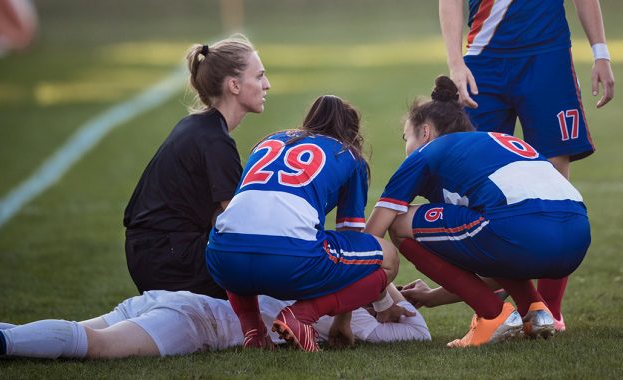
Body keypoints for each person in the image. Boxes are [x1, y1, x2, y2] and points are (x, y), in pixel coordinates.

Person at [364, 76, 591, 348]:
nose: (406, 147)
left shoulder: (426, 153)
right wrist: (433, 297)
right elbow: (495, 262)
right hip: (577, 236)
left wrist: (374, 296)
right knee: (486, 231)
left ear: (424, 132)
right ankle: (535, 309)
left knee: (399, 222)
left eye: (406, 137)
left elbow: (371, 236)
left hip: (521, 235)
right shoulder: (495, 142)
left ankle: (492, 316)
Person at [440, 0, 615, 331]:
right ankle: (500, 310)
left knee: (555, 186)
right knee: (475, 188)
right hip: (483, 59)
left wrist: (601, 53)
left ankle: (549, 309)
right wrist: (455, 62)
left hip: (547, 59)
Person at [206, 95, 403, 352]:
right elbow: (352, 233)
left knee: (241, 234)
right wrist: (345, 319)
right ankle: (301, 316)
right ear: (351, 132)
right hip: (290, 261)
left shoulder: (268, 141)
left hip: (222, 260)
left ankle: (253, 329)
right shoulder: (348, 154)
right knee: (388, 258)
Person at [0, 287, 431, 367]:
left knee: (71, 328)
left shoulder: (317, 270)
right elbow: (418, 335)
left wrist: (387, 295)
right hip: (191, 319)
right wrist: (389, 298)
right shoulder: (357, 311)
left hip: (168, 298)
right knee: (96, 346)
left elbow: (416, 332)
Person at [123, 34, 271, 299]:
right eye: (259, 76)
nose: (267, 85)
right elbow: (241, 223)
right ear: (234, 85)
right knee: (277, 279)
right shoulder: (215, 141)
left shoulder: (198, 126)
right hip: (168, 260)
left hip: (153, 253)